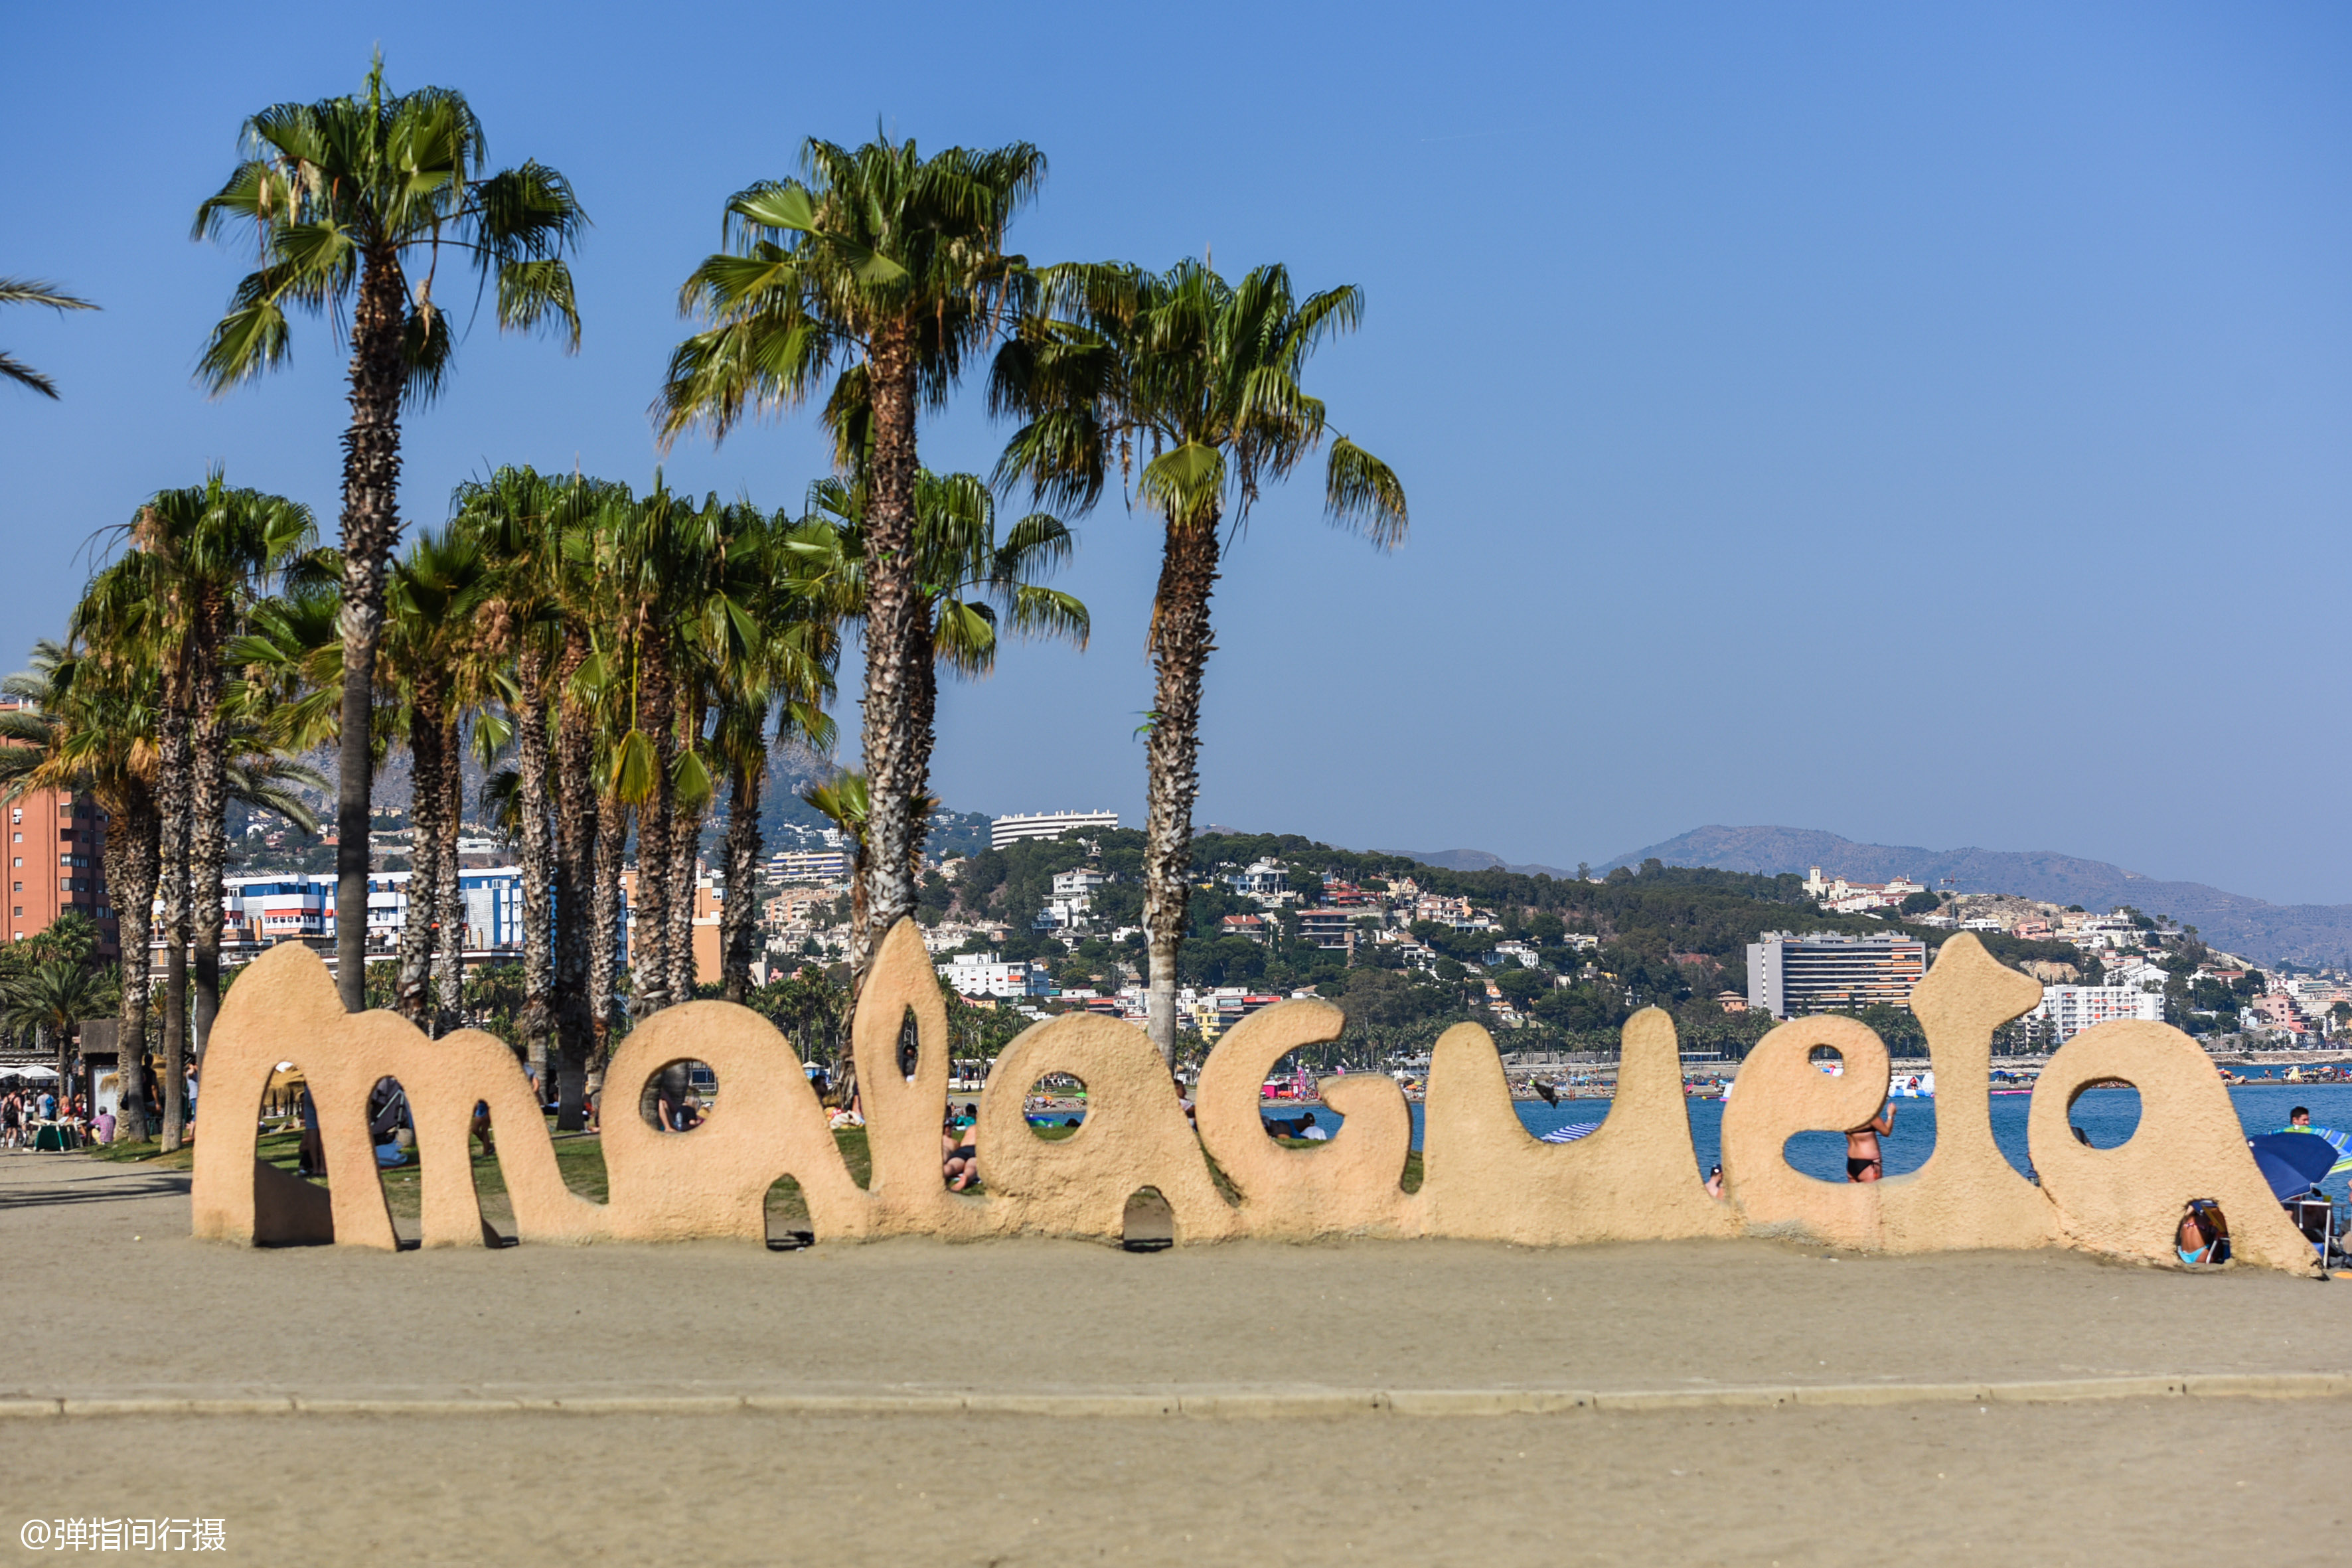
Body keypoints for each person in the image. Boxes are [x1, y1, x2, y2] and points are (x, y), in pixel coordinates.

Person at [1845, 1099, 1895, 1182]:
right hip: (1869, 1165)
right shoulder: (1869, 1116)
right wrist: (1891, 1115)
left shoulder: (1846, 1118)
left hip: (1851, 1163)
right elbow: (1886, 1132)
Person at [941, 1112, 979, 1191]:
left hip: (963, 1149)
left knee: (952, 1166)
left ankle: (941, 1174)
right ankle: (966, 1177)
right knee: (972, 1166)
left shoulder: (971, 1127)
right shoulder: (991, 1129)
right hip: (977, 1149)